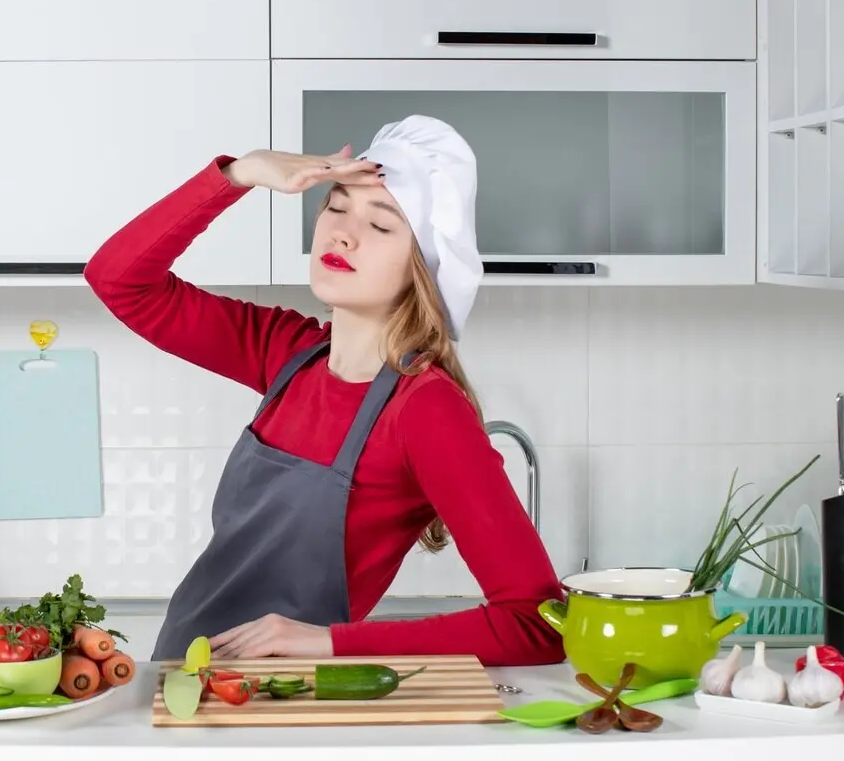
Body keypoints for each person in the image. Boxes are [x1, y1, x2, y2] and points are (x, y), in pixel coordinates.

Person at [84, 115, 564, 667]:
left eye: (381, 225)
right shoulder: (286, 351)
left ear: (423, 269)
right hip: (182, 684)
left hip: (286, 705)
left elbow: (538, 620)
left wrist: (329, 643)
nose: (342, 233)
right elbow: (118, 278)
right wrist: (240, 173)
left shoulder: (425, 409)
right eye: (336, 207)